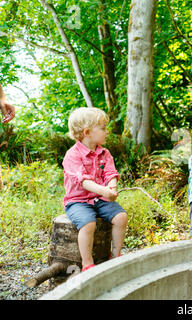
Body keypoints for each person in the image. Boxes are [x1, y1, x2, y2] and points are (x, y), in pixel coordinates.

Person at [62, 107, 128, 272]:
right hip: (78, 202)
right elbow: (83, 181)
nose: (107, 132)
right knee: (88, 224)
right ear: (87, 132)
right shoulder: (72, 155)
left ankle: (116, 255)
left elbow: (110, 172)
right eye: (103, 128)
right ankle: (87, 263)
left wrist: (111, 186)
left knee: (121, 217)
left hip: (100, 199)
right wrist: (103, 191)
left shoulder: (104, 153)